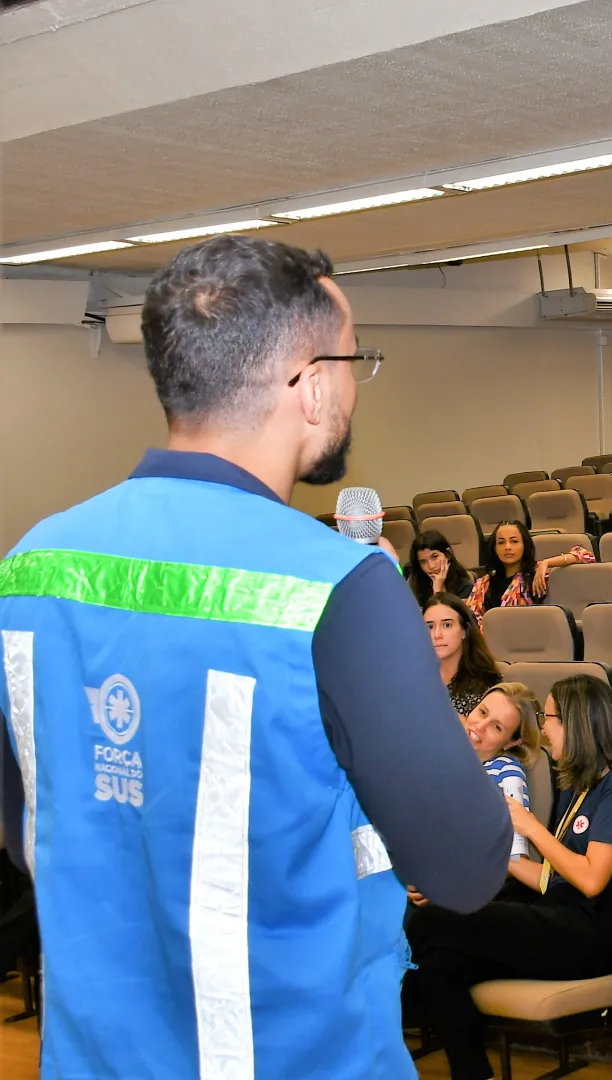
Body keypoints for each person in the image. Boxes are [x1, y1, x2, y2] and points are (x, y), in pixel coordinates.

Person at [0, 236, 509, 1078]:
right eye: (353, 360)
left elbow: (30, 832)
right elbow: (465, 867)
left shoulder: (31, 564)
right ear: (311, 385)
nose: (355, 386)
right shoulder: (340, 586)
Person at [405, 677, 612, 1080]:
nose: (542, 728)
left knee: (432, 921)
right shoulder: (578, 781)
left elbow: (592, 881)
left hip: (600, 928)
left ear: (577, 724)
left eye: (549, 718)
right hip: (560, 911)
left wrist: (529, 826)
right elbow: (551, 878)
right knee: (441, 963)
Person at [463, 682, 543, 863]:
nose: (480, 726)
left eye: (497, 727)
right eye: (482, 712)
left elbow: (516, 858)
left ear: (512, 742)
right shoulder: (441, 750)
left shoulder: (507, 773)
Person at [468, 520, 595, 623]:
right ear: (495, 548)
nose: (507, 547)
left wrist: (547, 562)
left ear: (525, 545)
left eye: (514, 541)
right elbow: (470, 619)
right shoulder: (483, 583)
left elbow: (585, 555)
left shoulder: (537, 573)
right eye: (501, 542)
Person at [426, 593, 503, 718]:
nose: (437, 635)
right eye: (430, 627)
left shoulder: (487, 685)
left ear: (464, 631)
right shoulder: (413, 678)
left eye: (447, 625)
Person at [407, 529, 475, 606]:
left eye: (435, 557)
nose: (431, 566)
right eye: (423, 562)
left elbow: (441, 612)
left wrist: (437, 590)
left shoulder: (465, 586)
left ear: (448, 554)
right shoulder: (414, 585)